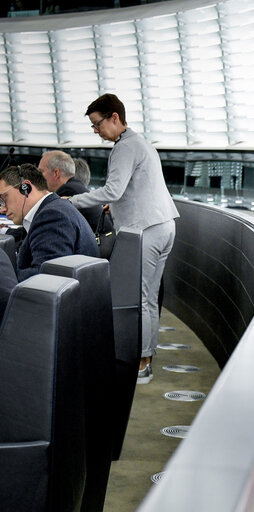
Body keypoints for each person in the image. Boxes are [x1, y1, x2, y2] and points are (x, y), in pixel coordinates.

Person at [70, 93, 179, 384]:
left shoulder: (124, 147)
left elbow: (113, 190)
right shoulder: (141, 143)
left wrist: (73, 202)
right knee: (150, 298)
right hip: (164, 225)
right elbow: (133, 189)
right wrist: (114, 204)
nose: (96, 131)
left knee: (140, 299)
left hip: (145, 230)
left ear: (114, 118)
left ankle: (141, 365)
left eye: (97, 125)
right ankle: (146, 358)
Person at [0, 164, 98, 281]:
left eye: (3, 199)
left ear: (26, 187)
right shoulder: (53, 209)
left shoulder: (52, 216)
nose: (2, 209)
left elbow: (46, 278)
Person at [39, 150, 111, 233]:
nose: (38, 176)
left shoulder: (67, 191)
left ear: (56, 173)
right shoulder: (76, 187)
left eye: (41, 172)